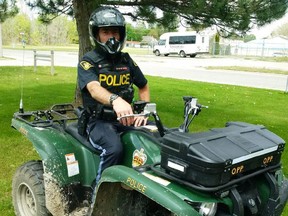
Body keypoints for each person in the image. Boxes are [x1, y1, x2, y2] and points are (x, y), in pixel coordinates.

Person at [77, 6, 150, 182]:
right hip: (98, 121)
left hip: (126, 118)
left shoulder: (127, 60)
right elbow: (94, 89)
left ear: (122, 34)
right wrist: (115, 100)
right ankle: (100, 194)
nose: (112, 37)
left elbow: (144, 86)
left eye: (115, 32)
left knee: (154, 138)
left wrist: (144, 111)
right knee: (113, 149)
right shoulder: (88, 61)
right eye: (106, 32)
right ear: (97, 35)